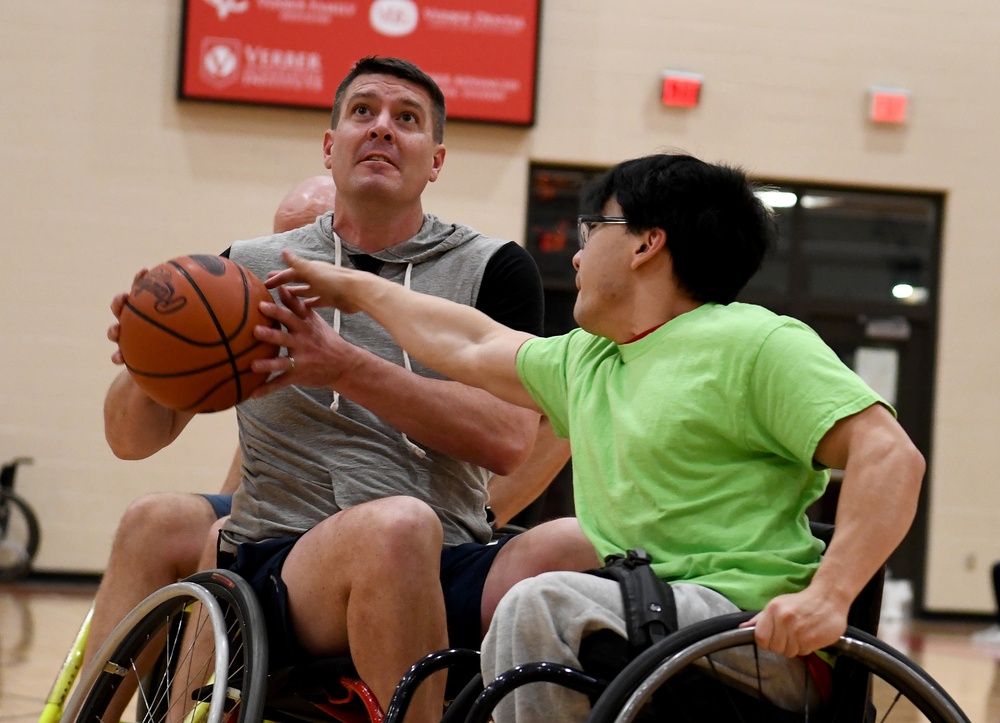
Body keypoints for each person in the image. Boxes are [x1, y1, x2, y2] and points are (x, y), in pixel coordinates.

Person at [257, 152, 926, 721]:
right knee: (519, 626)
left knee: (540, 605)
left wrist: (829, 595)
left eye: (591, 229)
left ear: (645, 242)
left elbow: (890, 454)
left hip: (745, 632)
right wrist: (351, 285)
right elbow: (469, 340)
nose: (576, 254)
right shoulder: (592, 358)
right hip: (645, 618)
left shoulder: (754, 340)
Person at [104, 56, 596, 722]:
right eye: (363, 111)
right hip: (284, 559)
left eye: (408, 119)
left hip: (450, 551)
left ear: (436, 160)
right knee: (395, 526)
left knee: (576, 542)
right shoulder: (246, 269)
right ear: (331, 147)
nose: (383, 128)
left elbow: (507, 440)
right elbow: (131, 439)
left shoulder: (493, 267)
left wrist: (345, 368)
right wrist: (147, 355)